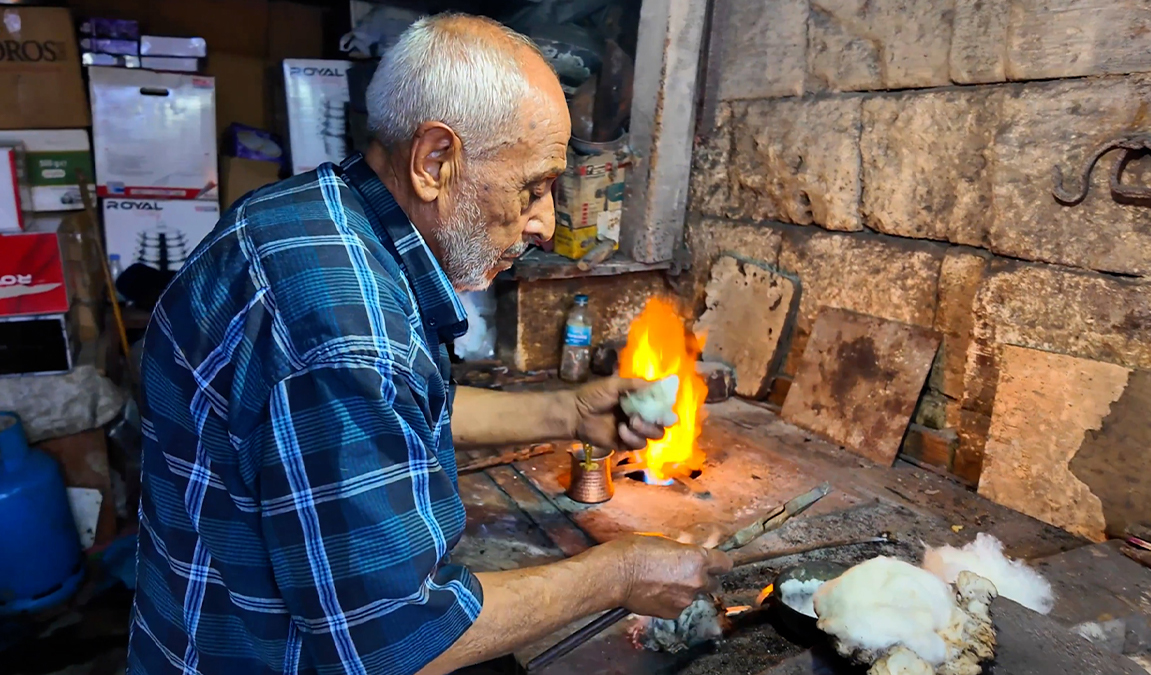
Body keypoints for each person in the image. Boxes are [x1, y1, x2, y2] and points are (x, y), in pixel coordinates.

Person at [127, 12, 730, 675]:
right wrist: (622, 571)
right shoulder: (346, 329)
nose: (546, 225)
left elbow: (391, 409)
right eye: (535, 186)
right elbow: (395, 643)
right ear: (435, 160)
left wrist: (569, 412)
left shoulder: (313, 215)